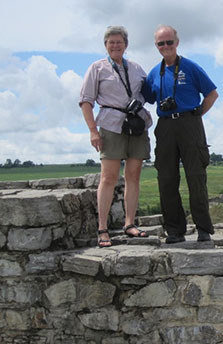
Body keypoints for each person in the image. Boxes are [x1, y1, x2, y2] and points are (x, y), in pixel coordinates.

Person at [143, 25, 218, 243]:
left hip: (189, 124)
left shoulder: (191, 67)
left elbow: (212, 94)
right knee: (166, 178)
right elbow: (146, 96)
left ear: (177, 42)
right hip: (165, 126)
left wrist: (198, 113)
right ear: (156, 46)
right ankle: (175, 231)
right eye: (160, 43)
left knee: (196, 177)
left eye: (169, 42)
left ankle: (204, 229)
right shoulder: (154, 73)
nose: (165, 46)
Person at [79, 26, 153, 247]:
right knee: (108, 177)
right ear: (105, 45)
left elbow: (149, 93)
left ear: (126, 44)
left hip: (136, 124)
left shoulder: (137, 68)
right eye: (111, 42)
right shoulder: (97, 68)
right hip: (111, 125)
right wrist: (93, 130)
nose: (115, 45)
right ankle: (102, 228)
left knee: (133, 175)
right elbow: (85, 101)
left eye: (119, 41)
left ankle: (129, 224)